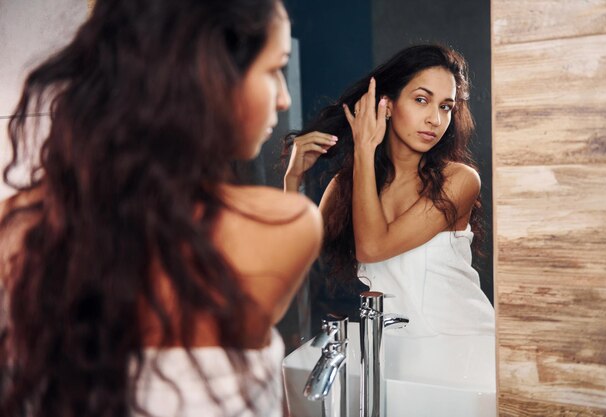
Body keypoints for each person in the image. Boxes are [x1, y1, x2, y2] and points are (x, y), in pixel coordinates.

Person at [0, 0, 322, 416]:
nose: (282, 99)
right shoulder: (287, 224)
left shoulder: (16, 226)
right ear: (209, 76)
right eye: (274, 68)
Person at [284, 44, 494, 337]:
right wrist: (293, 178)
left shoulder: (460, 180)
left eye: (446, 106)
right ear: (387, 104)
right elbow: (293, 258)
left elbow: (372, 248)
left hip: (467, 346)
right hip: (399, 354)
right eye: (422, 100)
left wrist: (364, 149)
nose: (435, 119)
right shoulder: (349, 186)